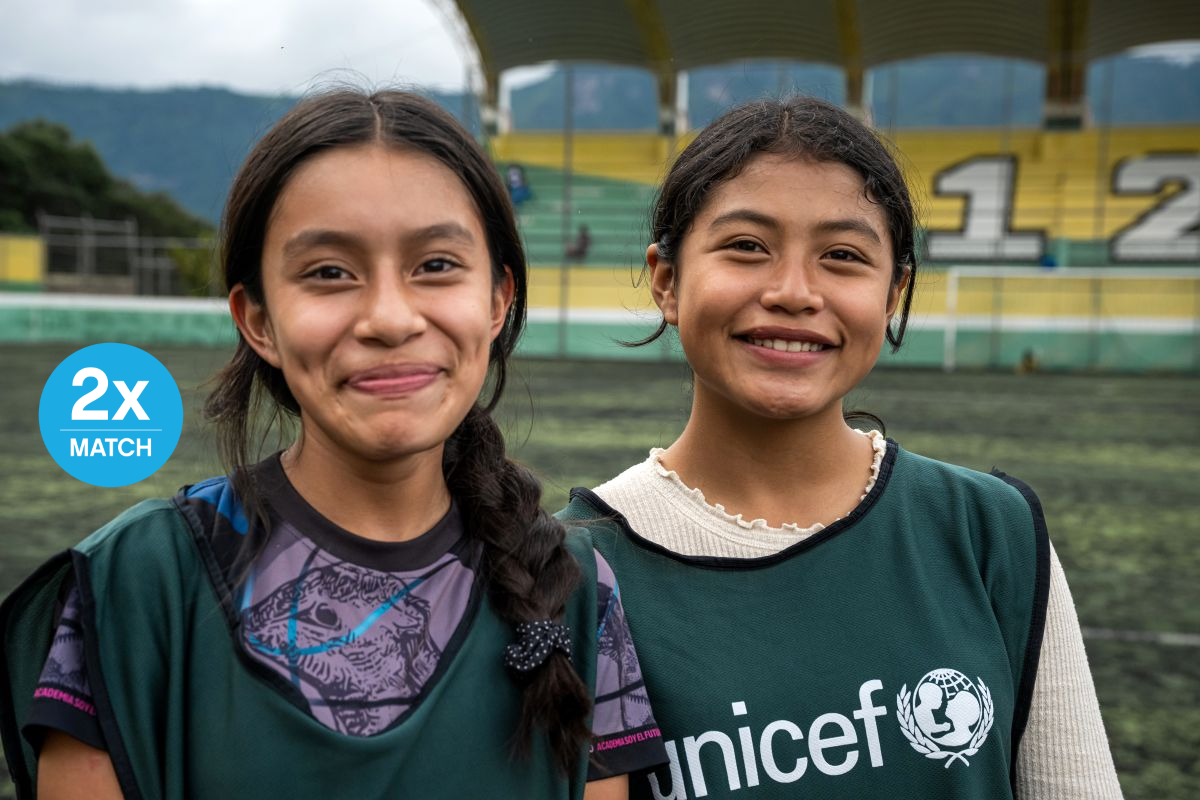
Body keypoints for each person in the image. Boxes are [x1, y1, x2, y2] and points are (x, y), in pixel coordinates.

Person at [0, 90, 665, 799]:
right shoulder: (135, 582)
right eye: (328, 273)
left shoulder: (572, 586)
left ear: (498, 300)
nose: (387, 317)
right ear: (256, 319)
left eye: (436, 264)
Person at [559, 98, 1123, 799]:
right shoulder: (571, 572)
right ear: (666, 280)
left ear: (895, 292)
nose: (794, 292)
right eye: (746, 246)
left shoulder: (990, 531)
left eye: (843, 257)